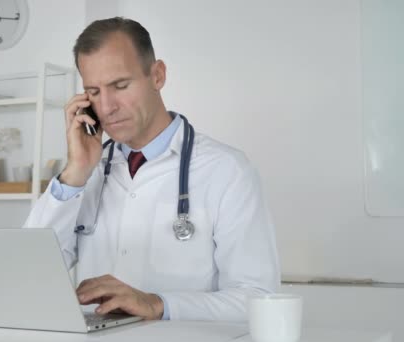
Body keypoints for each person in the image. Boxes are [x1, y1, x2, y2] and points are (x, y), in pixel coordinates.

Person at [24, 17, 279, 322]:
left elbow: (257, 298)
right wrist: (76, 173)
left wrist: (158, 305)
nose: (106, 107)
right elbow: (27, 272)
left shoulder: (227, 171)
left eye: (120, 85)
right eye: (93, 91)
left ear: (157, 75)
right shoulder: (88, 173)